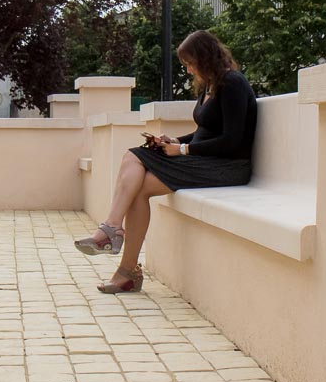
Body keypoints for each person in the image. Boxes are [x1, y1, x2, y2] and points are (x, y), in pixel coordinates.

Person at [74, 30, 258, 293]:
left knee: (133, 156)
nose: (189, 69)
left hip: (227, 167)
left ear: (206, 58)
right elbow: (205, 133)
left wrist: (183, 150)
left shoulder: (233, 84)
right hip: (205, 160)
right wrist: (173, 141)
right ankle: (126, 271)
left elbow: (232, 140)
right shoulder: (210, 85)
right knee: (138, 183)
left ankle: (111, 231)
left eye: (190, 63)